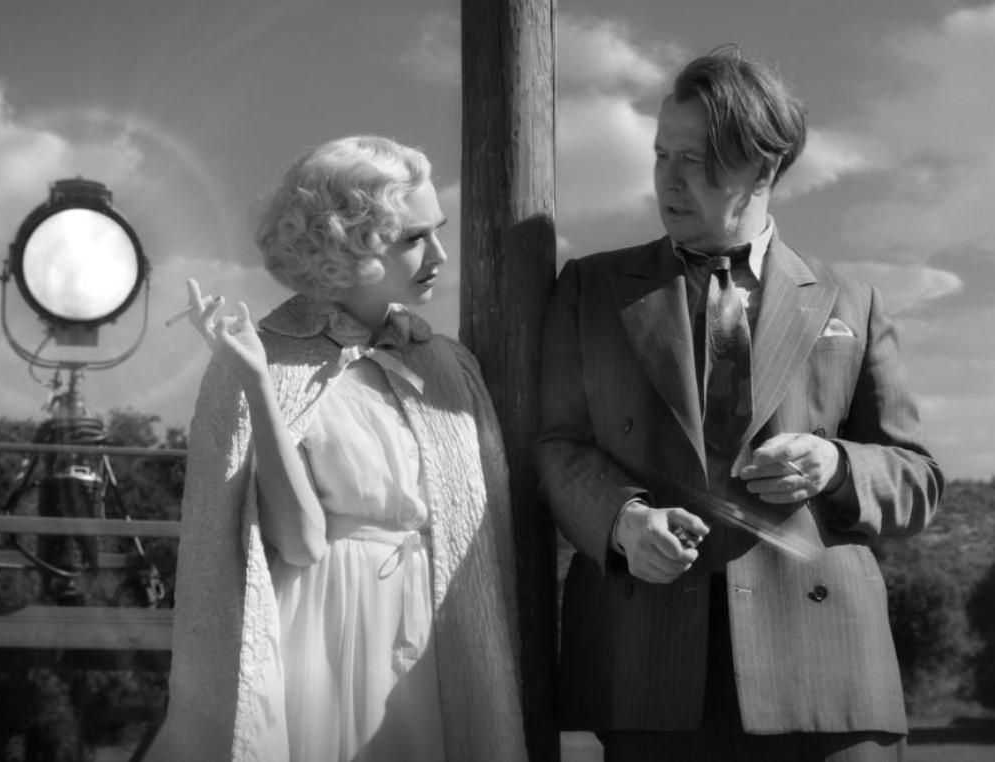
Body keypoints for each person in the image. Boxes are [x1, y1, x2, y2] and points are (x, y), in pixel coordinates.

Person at [536, 48, 944, 761]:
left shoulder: (852, 302)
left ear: (763, 167)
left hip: (828, 674)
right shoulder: (589, 289)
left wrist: (836, 464)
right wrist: (624, 523)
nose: (668, 179)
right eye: (662, 154)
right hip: (649, 665)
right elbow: (558, 445)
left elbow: (918, 480)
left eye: (696, 161)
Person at [148, 136, 527, 762]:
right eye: (413, 238)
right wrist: (257, 385)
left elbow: (477, 532)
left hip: (435, 638)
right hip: (325, 641)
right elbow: (299, 542)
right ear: (350, 244)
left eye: (437, 231)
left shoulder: (445, 364)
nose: (439, 254)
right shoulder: (267, 360)